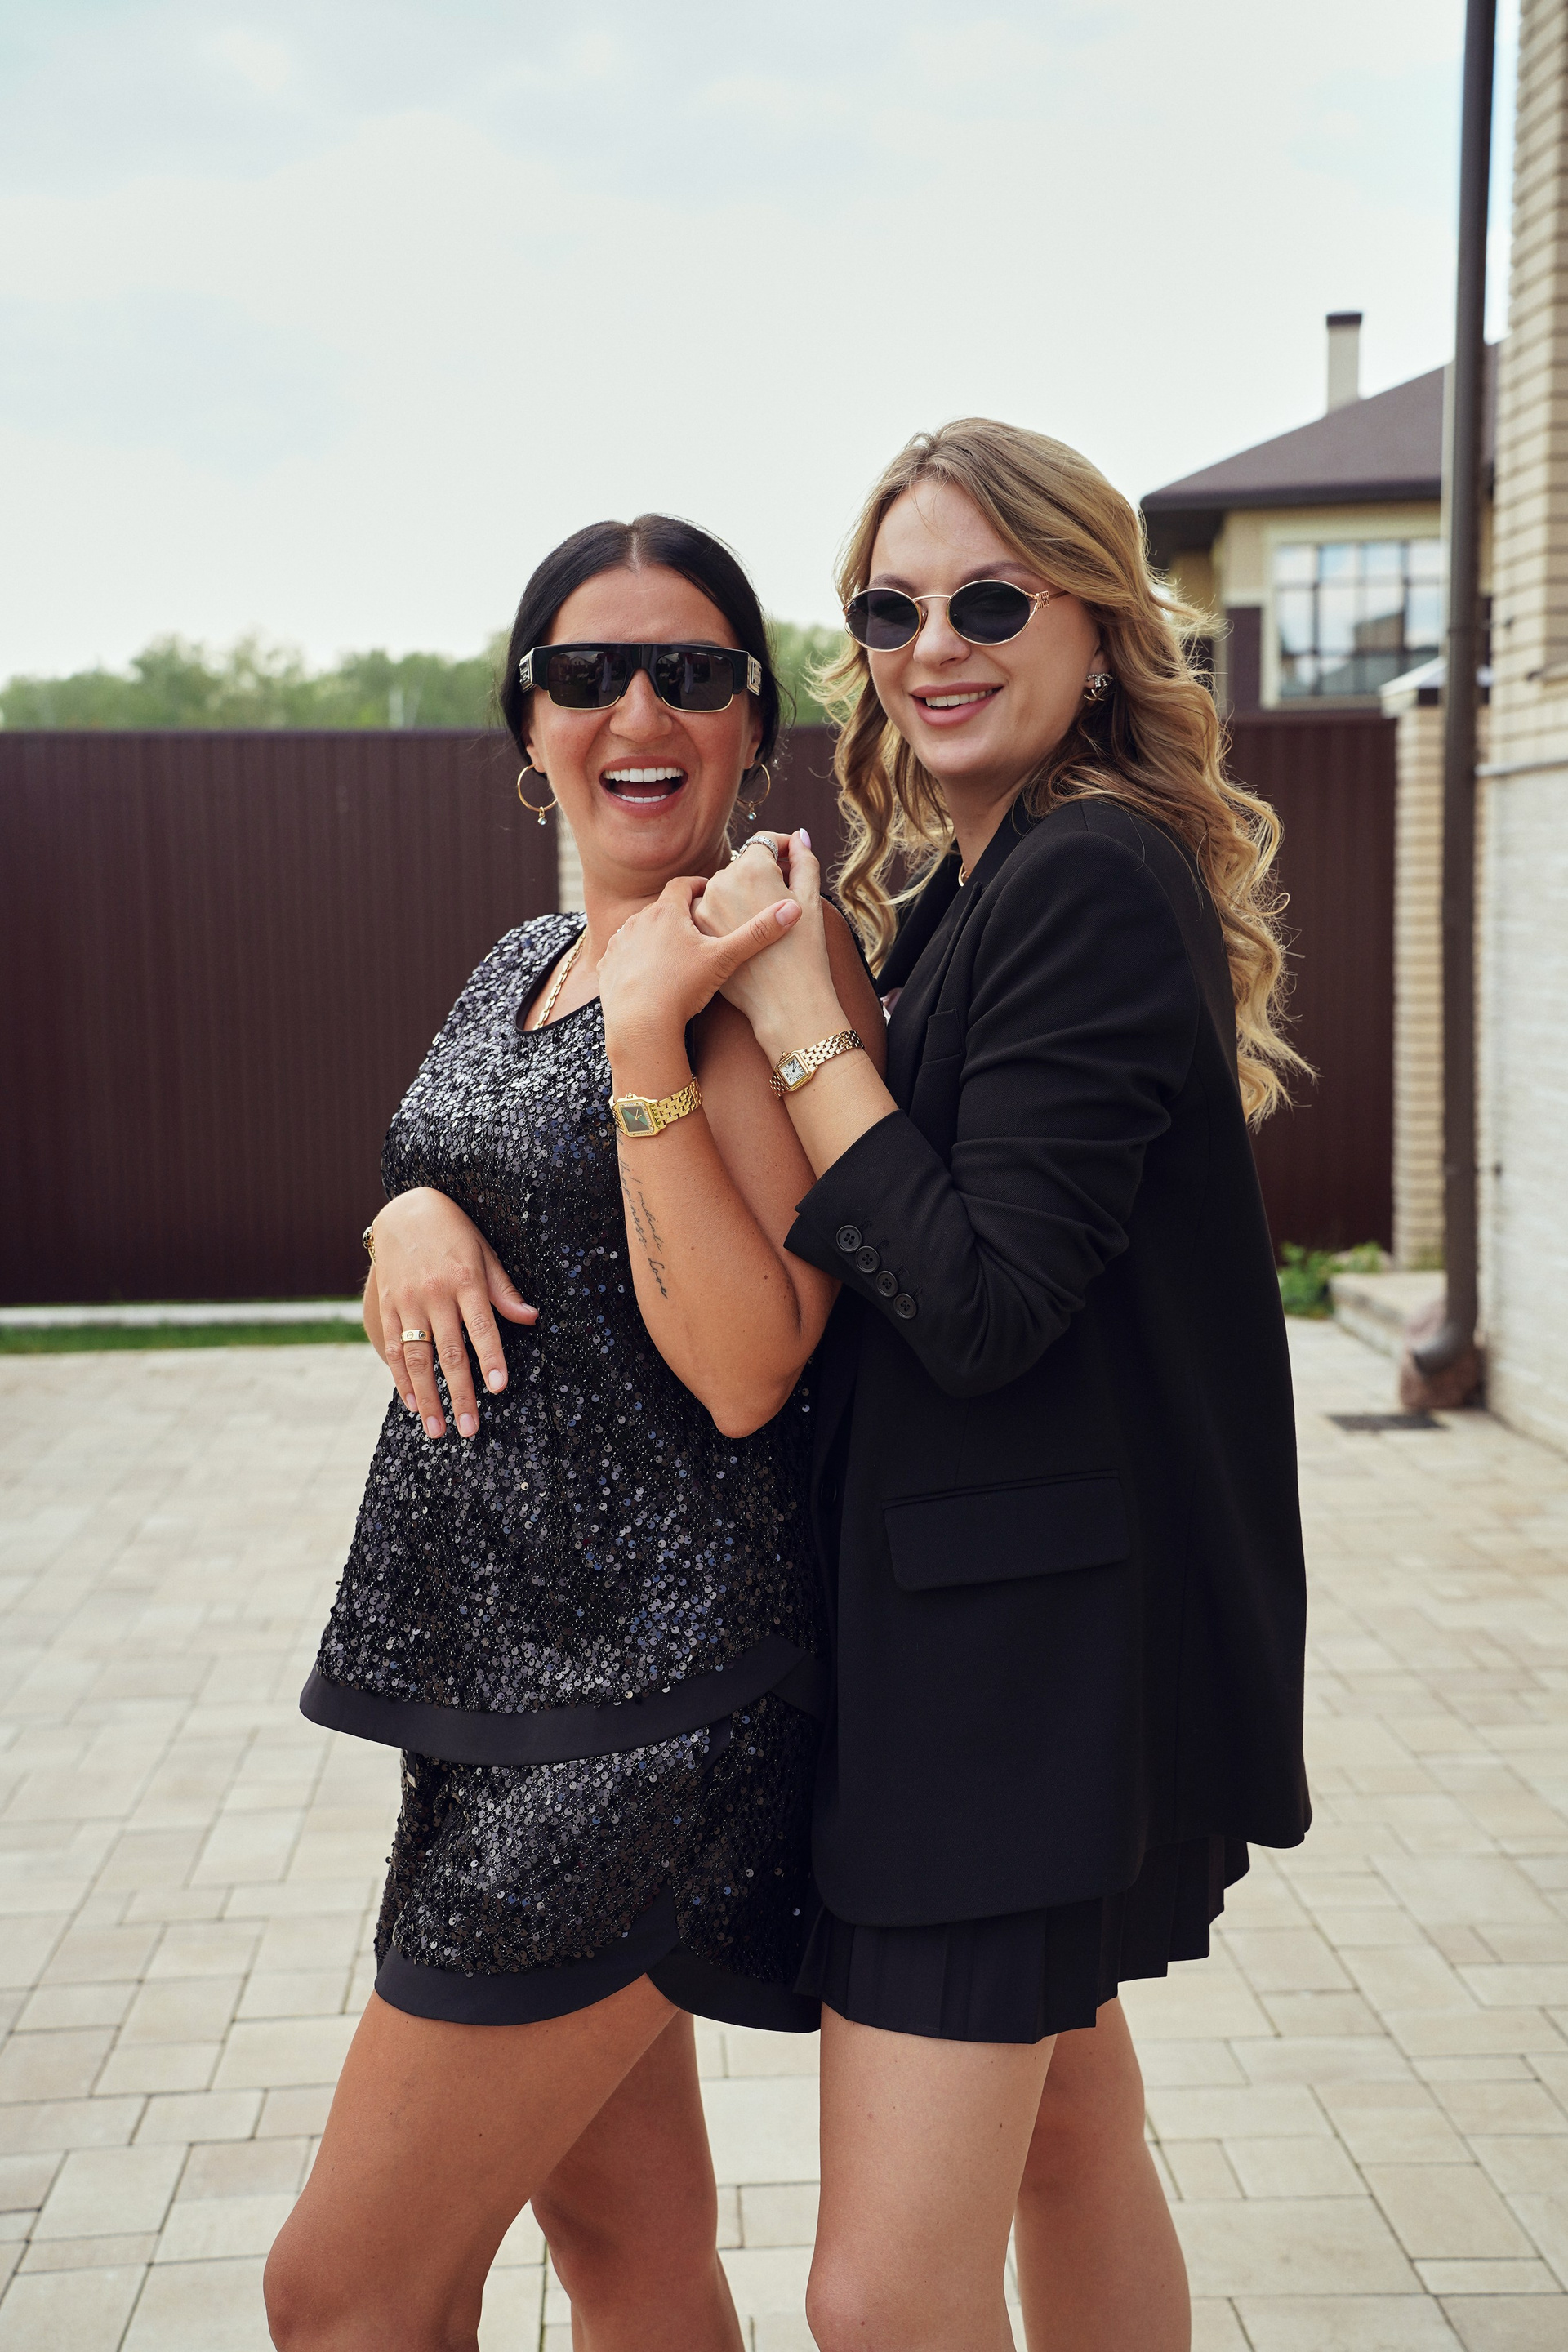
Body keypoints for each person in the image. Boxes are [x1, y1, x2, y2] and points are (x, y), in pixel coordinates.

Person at [695, 417, 1311, 2352]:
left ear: (1101, 623)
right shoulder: (983, 886)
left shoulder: (1088, 876)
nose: (933, 646)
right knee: (1070, 2148)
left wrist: (801, 1024)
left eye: (988, 601)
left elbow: (980, 1307)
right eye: (892, 611)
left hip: (1008, 1690)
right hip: (999, 1651)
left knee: (881, 2298)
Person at [263, 514, 884, 2352]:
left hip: (651, 1715)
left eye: (690, 672)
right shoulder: (521, 956)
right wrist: (403, 1214)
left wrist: (643, 1044)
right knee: (630, 2252)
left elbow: (752, 1367)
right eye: (588, 672)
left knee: (342, 2292)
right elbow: (458, 1187)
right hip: (501, 1689)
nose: (639, 710)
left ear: (753, 721)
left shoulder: (767, 960)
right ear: (525, 720)